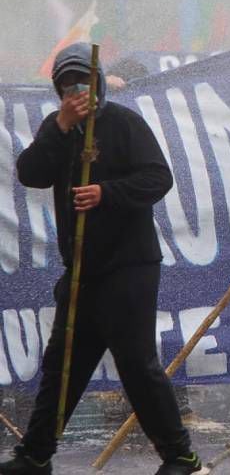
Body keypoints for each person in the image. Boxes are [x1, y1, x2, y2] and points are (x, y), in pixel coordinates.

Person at [0, 43, 201, 475]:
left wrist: (107, 193)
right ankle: (36, 454)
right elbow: (31, 171)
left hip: (129, 268)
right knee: (63, 365)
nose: (77, 93)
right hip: (83, 274)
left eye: (83, 84)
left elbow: (157, 177)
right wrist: (60, 125)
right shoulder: (61, 132)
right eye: (67, 87)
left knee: (136, 364)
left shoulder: (125, 124)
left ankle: (179, 454)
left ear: (98, 84)